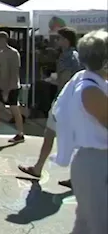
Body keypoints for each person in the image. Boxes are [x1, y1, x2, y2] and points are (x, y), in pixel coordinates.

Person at [50, 29, 107, 234]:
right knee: (99, 224)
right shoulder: (90, 89)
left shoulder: (93, 83)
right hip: (96, 163)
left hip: (95, 162)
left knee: (86, 224)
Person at [18, 27, 83, 188]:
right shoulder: (75, 55)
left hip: (64, 102)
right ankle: (39, 167)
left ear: (66, 40)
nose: (56, 41)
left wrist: (52, 82)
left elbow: (65, 80)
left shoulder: (68, 57)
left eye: (59, 38)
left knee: (66, 138)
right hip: (68, 101)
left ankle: (74, 176)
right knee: (53, 134)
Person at [0, 31, 25, 143]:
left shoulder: (13, 53)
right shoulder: (2, 53)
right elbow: (0, 70)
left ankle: (20, 134)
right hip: (1, 86)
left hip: (12, 87)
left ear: (3, 40)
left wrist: (7, 91)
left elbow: (14, 73)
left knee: (15, 110)